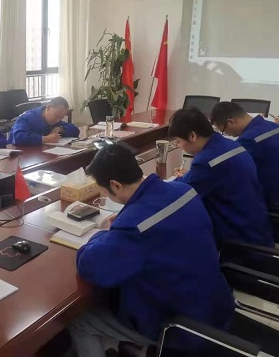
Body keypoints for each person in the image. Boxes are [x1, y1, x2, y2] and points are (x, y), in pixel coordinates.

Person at [68, 144, 234, 356]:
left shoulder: (135, 226)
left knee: (81, 321)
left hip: (180, 326)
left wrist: (104, 234)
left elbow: (90, 266)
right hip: (216, 304)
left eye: (104, 191)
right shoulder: (184, 190)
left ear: (115, 185)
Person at [169, 107, 273, 247]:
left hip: (238, 241)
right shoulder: (230, 144)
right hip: (257, 227)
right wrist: (191, 175)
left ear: (192, 136)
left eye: (178, 141)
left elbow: (177, 193)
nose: (180, 146)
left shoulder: (207, 161)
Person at [211, 102, 279, 207]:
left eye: (224, 131)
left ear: (231, 122)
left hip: (271, 205)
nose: (228, 134)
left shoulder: (248, 140)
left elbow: (227, 172)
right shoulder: (275, 127)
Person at [9, 96, 79, 145]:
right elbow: (18, 137)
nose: (58, 120)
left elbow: (76, 131)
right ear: (48, 108)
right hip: (17, 155)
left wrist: (60, 129)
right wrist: (44, 139)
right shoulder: (27, 117)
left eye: (61, 118)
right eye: (56, 116)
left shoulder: (56, 120)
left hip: (41, 153)